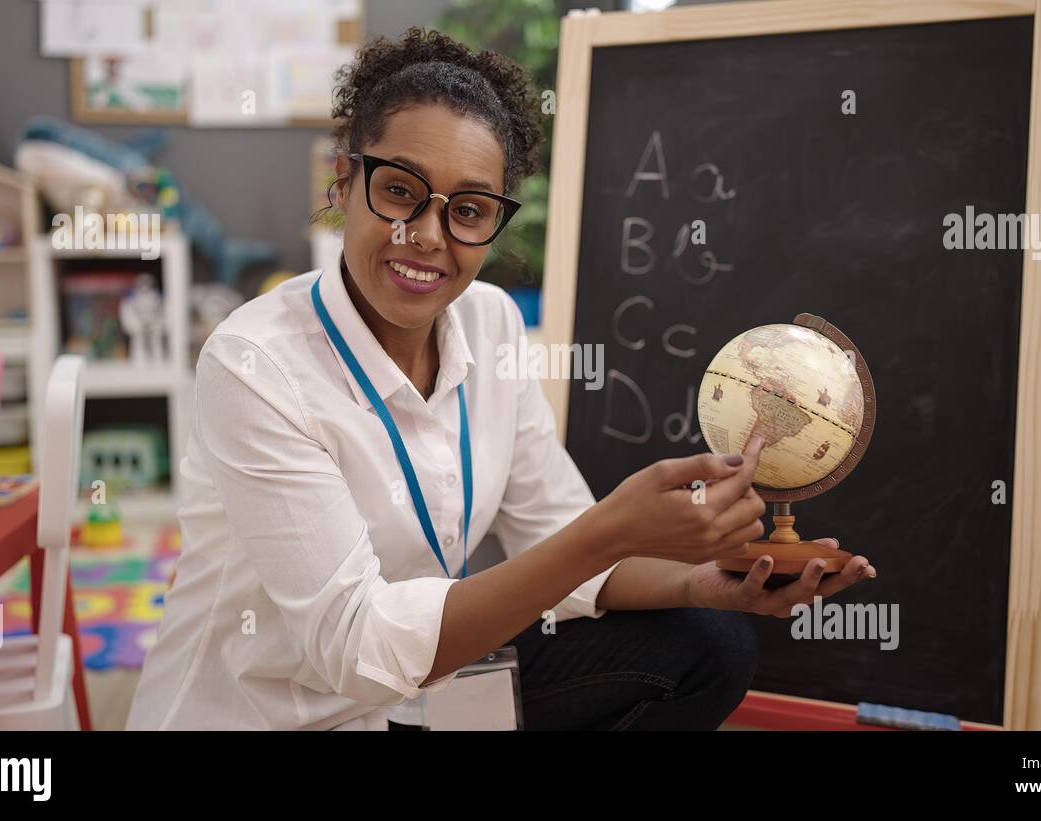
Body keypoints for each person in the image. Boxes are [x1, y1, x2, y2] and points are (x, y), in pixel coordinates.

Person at [126, 28, 875, 731]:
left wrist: (704, 583)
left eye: (470, 211)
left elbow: (555, 534)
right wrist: (607, 531)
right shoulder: (254, 362)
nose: (427, 235)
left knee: (714, 640)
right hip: (276, 711)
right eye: (398, 192)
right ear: (346, 179)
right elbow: (352, 647)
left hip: (424, 693)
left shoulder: (490, 325)